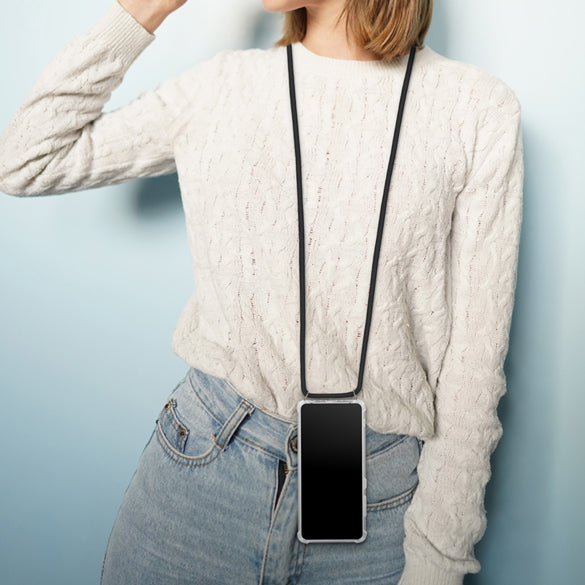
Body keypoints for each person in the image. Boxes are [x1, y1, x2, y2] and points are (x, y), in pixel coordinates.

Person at [0, 0, 524, 584]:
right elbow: (25, 160)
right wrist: (142, 10)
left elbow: (475, 369)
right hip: (203, 472)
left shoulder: (475, 110)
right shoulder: (223, 87)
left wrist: (438, 562)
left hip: (377, 503)